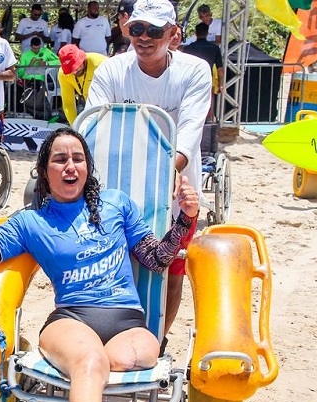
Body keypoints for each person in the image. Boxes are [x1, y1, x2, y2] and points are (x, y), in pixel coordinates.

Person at [0, 127, 199, 402]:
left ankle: (84, 378)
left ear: (88, 167)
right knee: (90, 360)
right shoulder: (30, 223)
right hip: (72, 319)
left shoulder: (116, 204)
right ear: (44, 172)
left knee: (132, 356)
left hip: (128, 321)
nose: (70, 166)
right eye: (60, 160)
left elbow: (157, 258)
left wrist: (186, 218)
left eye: (78, 158)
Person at [86, 0, 212, 336]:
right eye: (137, 28)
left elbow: (190, 132)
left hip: (176, 189)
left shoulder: (195, 71)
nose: (144, 37)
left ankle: (158, 339)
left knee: (171, 269)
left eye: (154, 31)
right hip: (119, 185)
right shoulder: (111, 71)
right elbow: (94, 128)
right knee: (112, 264)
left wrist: (167, 172)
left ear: (173, 35)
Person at [57, 44, 106, 125]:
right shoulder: (63, 74)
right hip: (91, 108)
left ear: (82, 58)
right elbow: (68, 103)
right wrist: (75, 126)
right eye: (70, 69)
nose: (75, 71)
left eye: (76, 65)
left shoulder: (101, 63)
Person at [183, 22, 224, 117]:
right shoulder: (214, 48)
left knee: (192, 104)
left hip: (191, 79)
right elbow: (220, 69)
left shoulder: (188, 48)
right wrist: (221, 84)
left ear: (196, 33)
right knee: (207, 105)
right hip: (207, 79)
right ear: (207, 33)